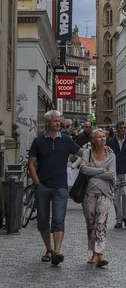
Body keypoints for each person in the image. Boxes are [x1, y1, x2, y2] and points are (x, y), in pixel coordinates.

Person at [27, 110, 83, 265]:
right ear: (47, 123)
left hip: (60, 186)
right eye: (55, 121)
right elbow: (31, 163)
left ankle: (58, 252)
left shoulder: (66, 140)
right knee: (43, 220)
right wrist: (37, 183)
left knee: (58, 219)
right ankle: (49, 249)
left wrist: (102, 148)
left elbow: (82, 153)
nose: (58, 123)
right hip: (43, 186)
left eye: (59, 121)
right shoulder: (38, 141)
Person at [80, 129, 116, 266]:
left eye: (104, 136)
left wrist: (92, 173)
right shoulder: (87, 153)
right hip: (89, 193)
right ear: (93, 140)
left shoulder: (111, 155)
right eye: (99, 137)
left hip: (105, 193)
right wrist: (102, 170)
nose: (103, 139)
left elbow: (112, 175)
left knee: (101, 223)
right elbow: (83, 169)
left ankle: (100, 254)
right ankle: (93, 253)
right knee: (90, 223)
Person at [107, 121, 126, 228]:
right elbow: (107, 157)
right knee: (116, 197)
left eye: (125, 127)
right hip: (114, 172)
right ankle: (118, 219)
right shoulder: (110, 142)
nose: (123, 129)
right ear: (117, 129)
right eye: (121, 127)